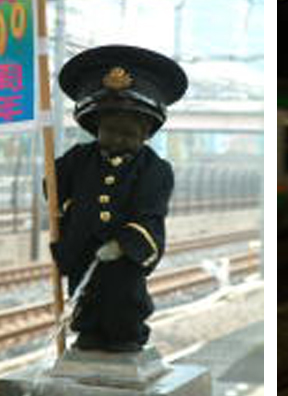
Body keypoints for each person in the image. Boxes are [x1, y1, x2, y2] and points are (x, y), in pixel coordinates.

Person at [48, 45, 187, 352]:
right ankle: (89, 332)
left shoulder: (155, 170)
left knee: (124, 296)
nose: (118, 141)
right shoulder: (79, 158)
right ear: (96, 127)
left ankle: (125, 336)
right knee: (84, 295)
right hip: (83, 247)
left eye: (129, 135)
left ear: (146, 134)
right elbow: (55, 188)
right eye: (110, 132)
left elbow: (151, 213)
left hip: (125, 256)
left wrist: (126, 243)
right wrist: (54, 184)